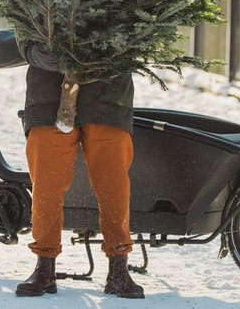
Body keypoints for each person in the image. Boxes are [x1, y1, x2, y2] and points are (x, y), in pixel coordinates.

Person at [13, 38, 145, 299]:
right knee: (46, 186)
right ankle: (44, 266)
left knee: (114, 186)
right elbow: (22, 14)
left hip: (107, 94)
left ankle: (119, 266)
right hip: (48, 95)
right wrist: (32, 50)